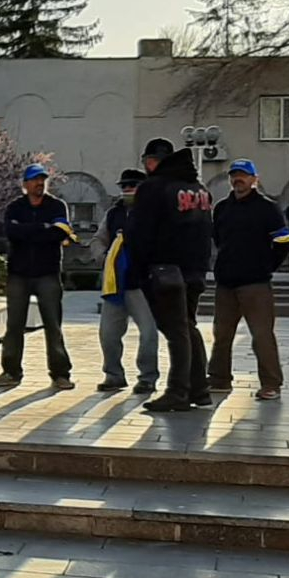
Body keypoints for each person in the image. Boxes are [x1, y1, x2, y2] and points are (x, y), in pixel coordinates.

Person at [126, 137, 213, 414]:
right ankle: (199, 388)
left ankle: (178, 391)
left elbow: (139, 234)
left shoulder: (153, 188)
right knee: (187, 326)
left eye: (147, 161)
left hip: (164, 271)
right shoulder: (198, 189)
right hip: (194, 270)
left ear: (153, 162)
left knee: (176, 331)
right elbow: (205, 233)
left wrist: (138, 271)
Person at [208, 159, 289, 400]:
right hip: (226, 284)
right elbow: (218, 239)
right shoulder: (222, 208)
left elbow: (284, 242)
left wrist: (266, 266)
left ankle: (271, 383)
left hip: (255, 284)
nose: (238, 179)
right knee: (222, 334)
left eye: (243, 175)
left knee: (262, 335)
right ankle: (219, 379)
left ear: (255, 179)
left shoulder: (267, 208)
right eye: (234, 175)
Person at [0, 166, 74, 390]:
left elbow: (60, 232)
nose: (40, 183)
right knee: (14, 326)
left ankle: (60, 373)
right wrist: (43, 229)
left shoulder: (57, 206)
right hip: (19, 273)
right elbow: (11, 232)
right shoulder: (15, 207)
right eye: (35, 180)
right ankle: (10, 371)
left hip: (47, 273)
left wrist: (28, 231)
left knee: (53, 325)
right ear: (25, 184)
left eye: (42, 179)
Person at [96, 168, 160, 395]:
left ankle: (147, 377)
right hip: (115, 285)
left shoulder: (153, 213)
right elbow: (99, 240)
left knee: (149, 332)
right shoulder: (114, 214)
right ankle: (113, 375)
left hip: (142, 284)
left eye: (133, 185)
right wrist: (105, 258)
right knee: (108, 333)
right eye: (124, 186)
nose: (127, 189)